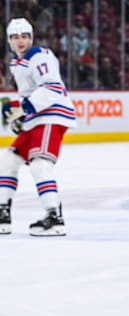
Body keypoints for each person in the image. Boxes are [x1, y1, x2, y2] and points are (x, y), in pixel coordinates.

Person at [0, 18, 76, 236]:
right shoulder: (17, 63)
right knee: (7, 162)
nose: (20, 41)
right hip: (38, 117)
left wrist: (24, 109)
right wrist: (22, 113)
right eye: (15, 37)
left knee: (40, 165)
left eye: (24, 36)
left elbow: (52, 89)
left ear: (31, 38)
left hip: (52, 115)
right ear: (9, 41)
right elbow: (28, 94)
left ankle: (54, 217)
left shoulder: (39, 57)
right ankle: (3, 213)